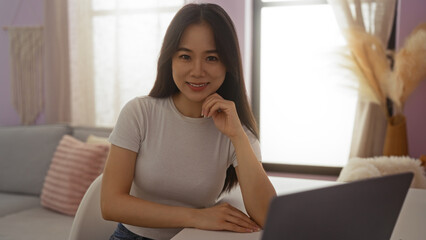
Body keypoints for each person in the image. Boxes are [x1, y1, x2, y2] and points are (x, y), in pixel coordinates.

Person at [101, 3, 277, 240]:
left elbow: (268, 215)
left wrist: (237, 135)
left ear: (228, 64)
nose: (197, 71)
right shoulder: (139, 113)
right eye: (185, 56)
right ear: (170, 59)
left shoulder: (235, 128)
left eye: (212, 58)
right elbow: (111, 204)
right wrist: (195, 216)